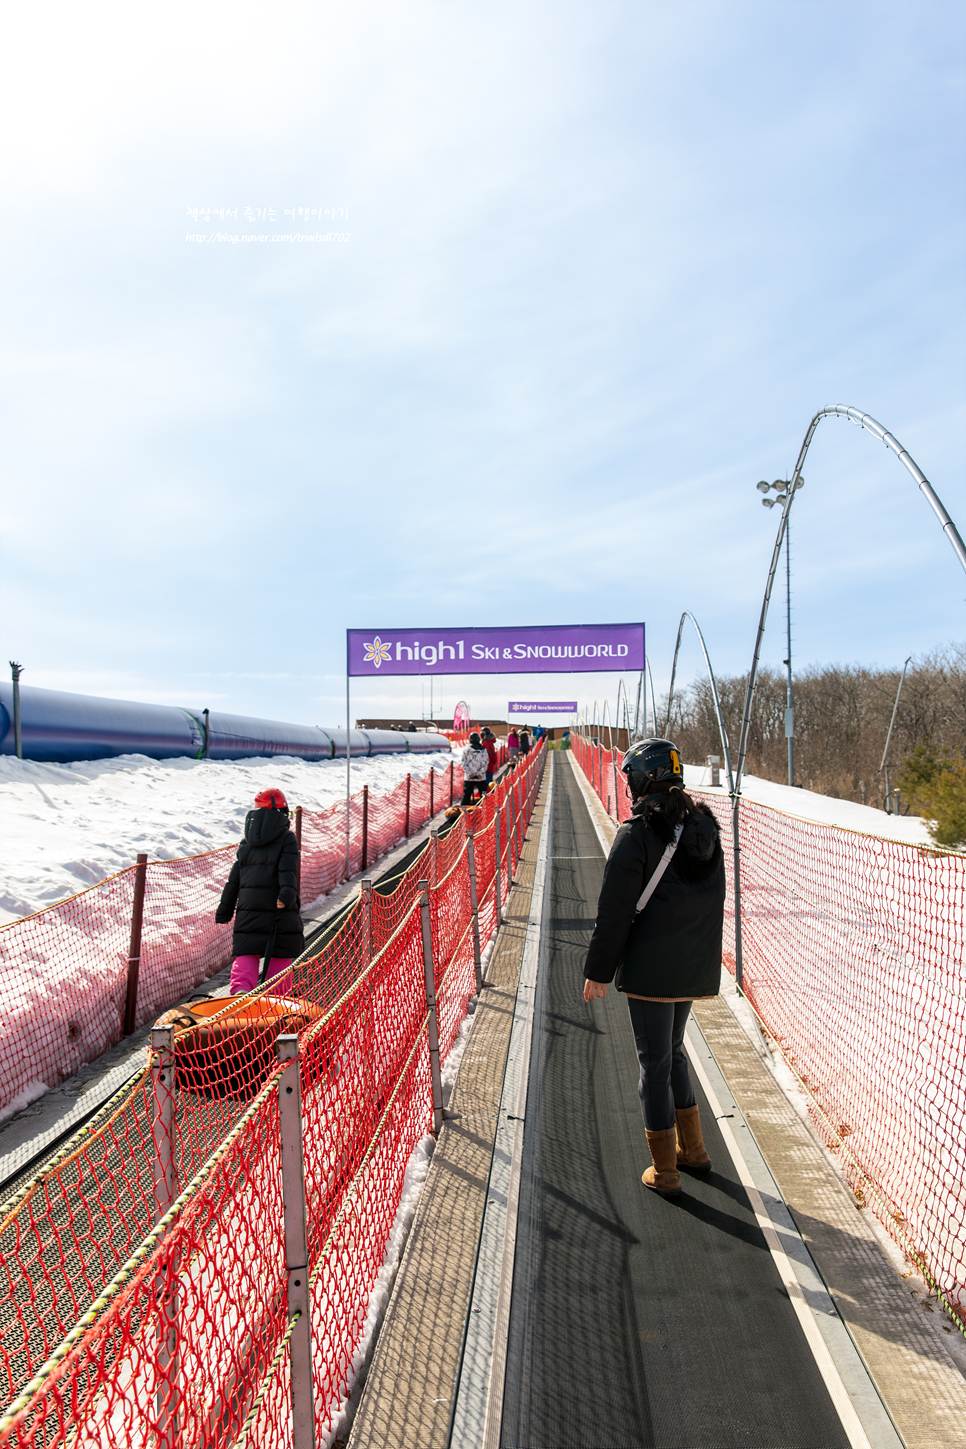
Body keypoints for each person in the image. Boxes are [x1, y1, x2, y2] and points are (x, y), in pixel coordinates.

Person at [583, 738, 725, 1199]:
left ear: (643, 778)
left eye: (630, 777)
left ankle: (665, 1173)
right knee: (675, 1051)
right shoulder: (703, 826)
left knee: (654, 1063)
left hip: (651, 967)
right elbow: (711, 900)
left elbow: (616, 910)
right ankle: (695, 1151)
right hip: (691, 965)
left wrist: (598, 970)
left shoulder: (636, 833)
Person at [216, 787, 305, 996]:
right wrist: (286, 895)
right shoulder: (287, 838)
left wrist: (225, 908)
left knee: (248, 948)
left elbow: (234, 878)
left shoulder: (246, 842)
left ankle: (240, 991)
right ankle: (278, 996)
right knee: (280, 949)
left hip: (248, 906)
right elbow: (287, 869)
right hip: (277, 905)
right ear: (283, 813)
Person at [461, 731, 490, 806]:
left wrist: (469, 773)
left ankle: (463, 814)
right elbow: (485, 762)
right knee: (483, 795)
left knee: (466, 795)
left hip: (468, 777)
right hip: (481, 777)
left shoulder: (465, 750)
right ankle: (485, 810)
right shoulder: (483, 750)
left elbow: (463, 763)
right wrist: (480, 773)